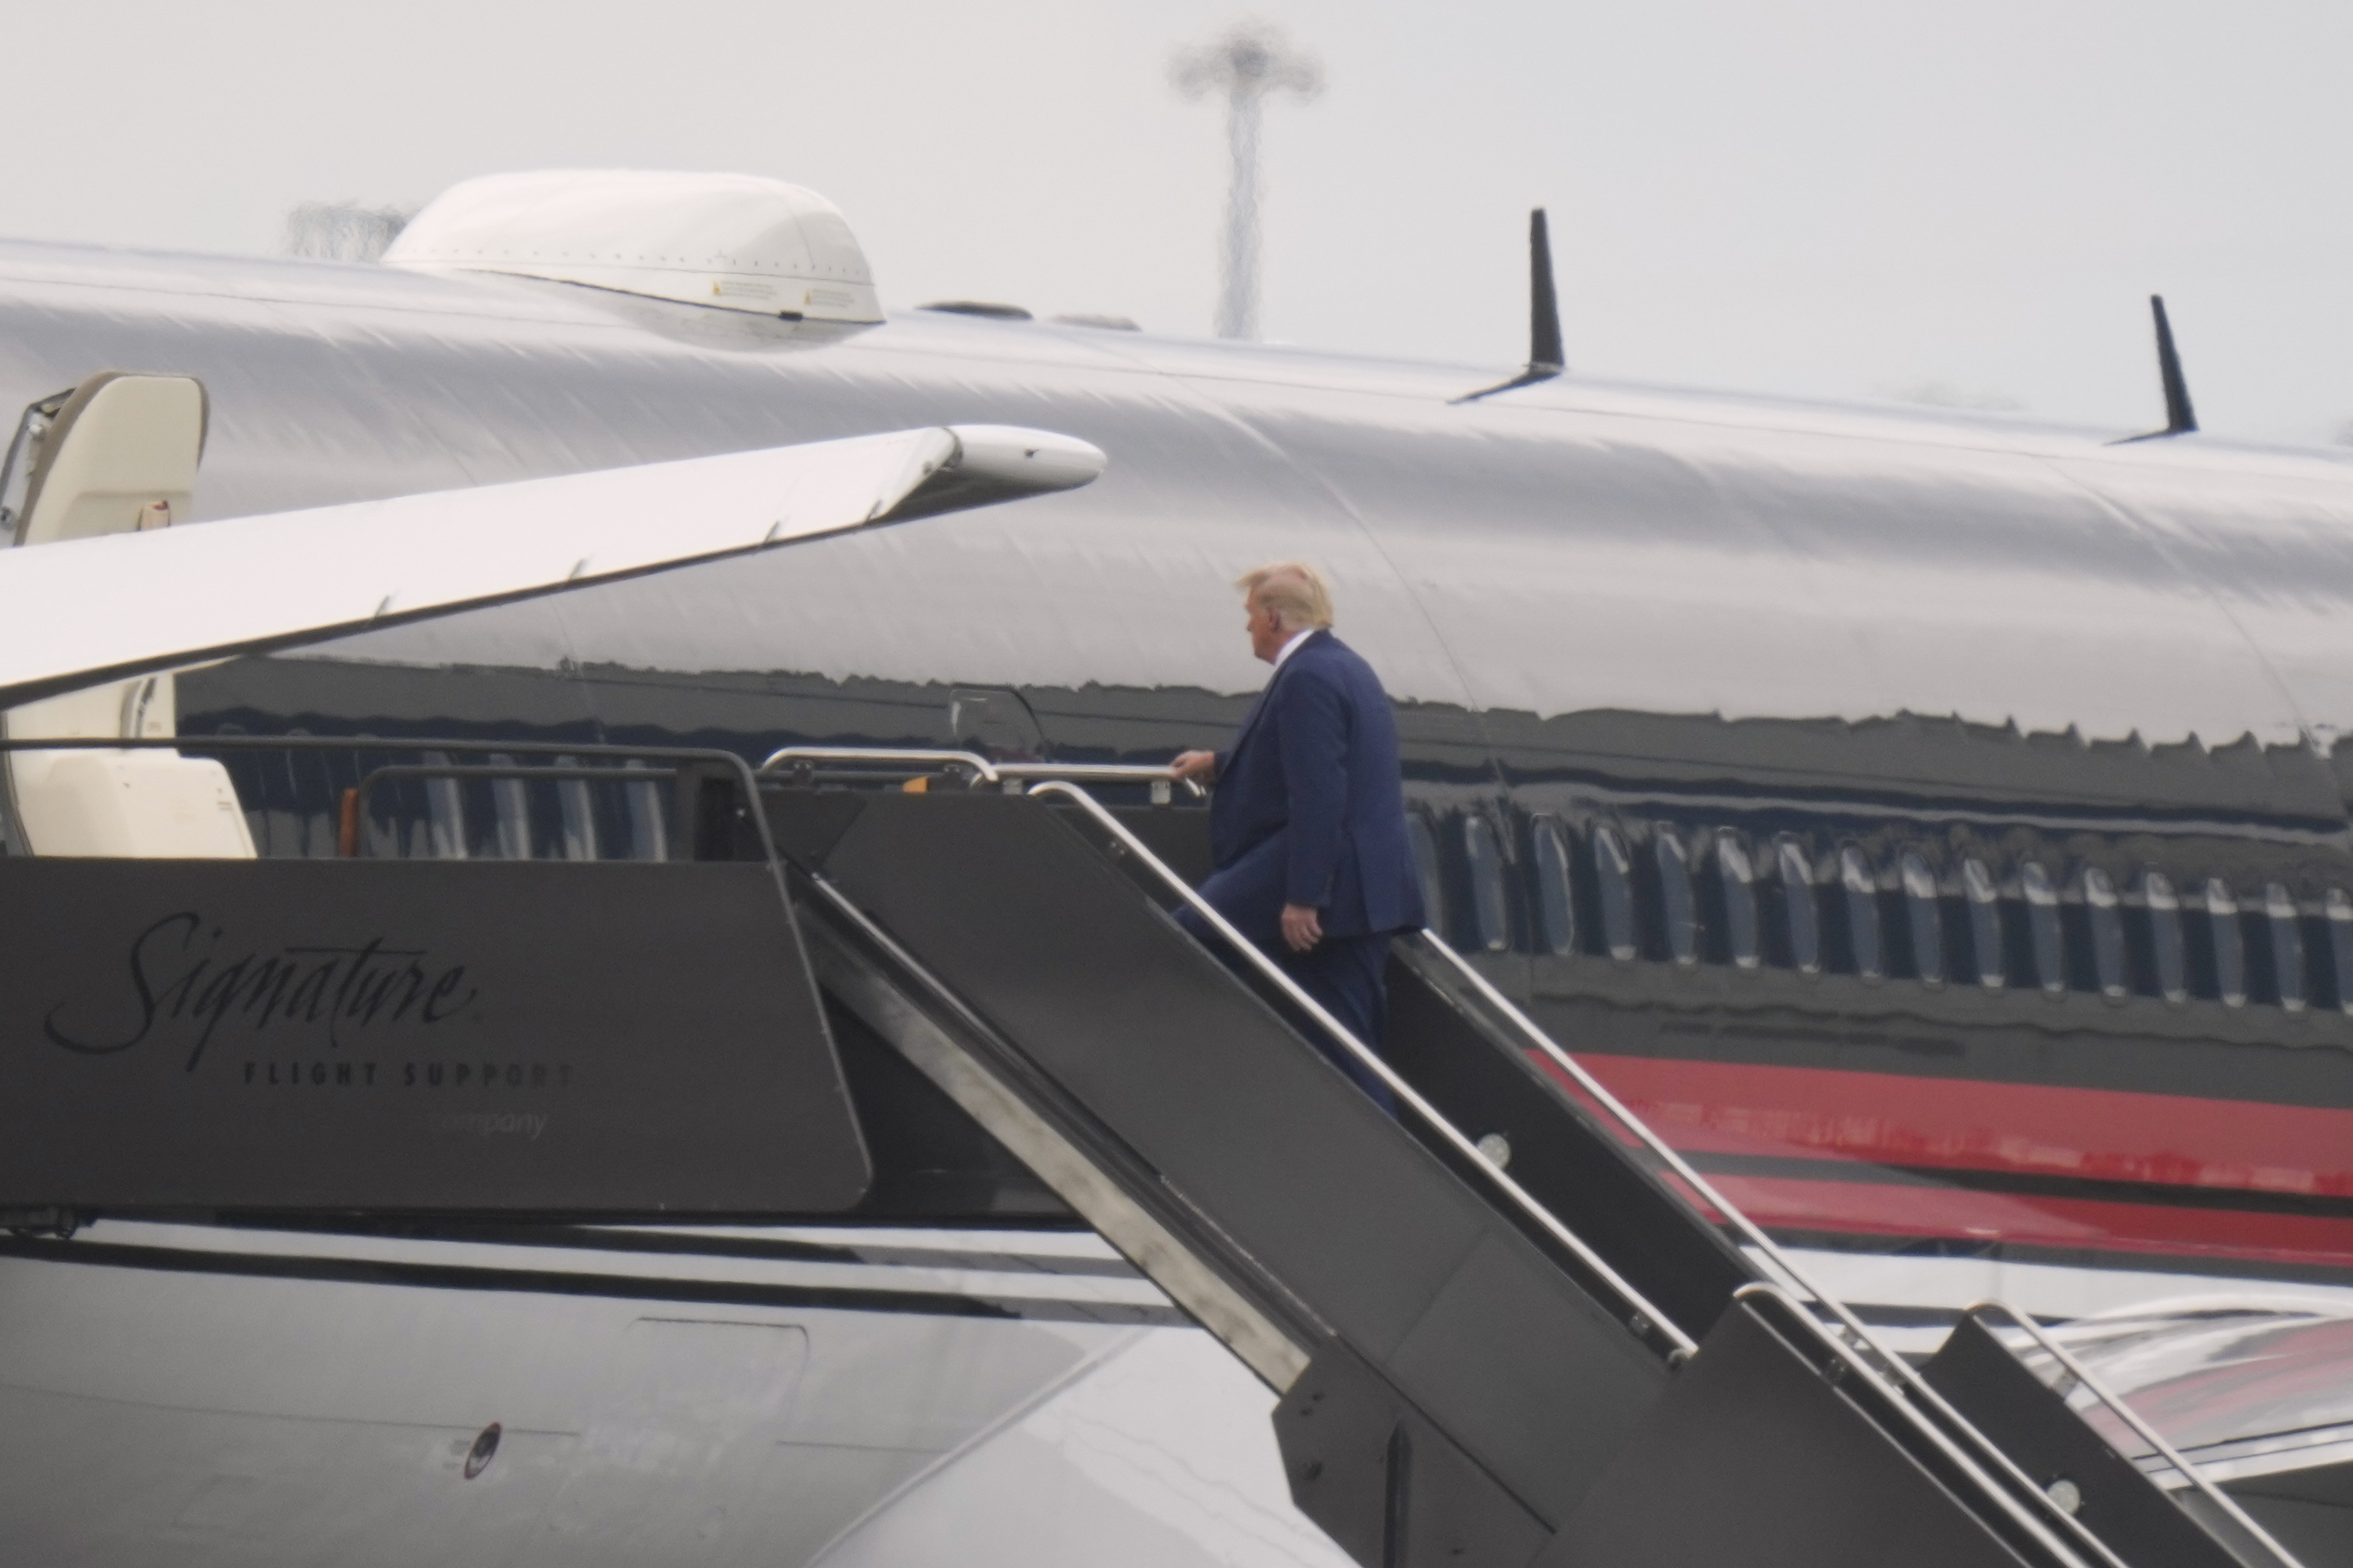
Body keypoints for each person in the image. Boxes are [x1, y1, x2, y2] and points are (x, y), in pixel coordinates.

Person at [1172, 561, 1425, 1112]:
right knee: (1349, 1043)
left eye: (1250, 617)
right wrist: (1218, 764)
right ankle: (1380, 1165)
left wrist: (1305, 897)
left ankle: (1193, 1091)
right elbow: (1322, 762)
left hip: (1330, 886)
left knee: (1187, 937)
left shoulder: (1306, 678)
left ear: (1274, 617)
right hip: (1370, 890)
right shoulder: (1347, 667)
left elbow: (1320, 795)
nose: (1247, 629)